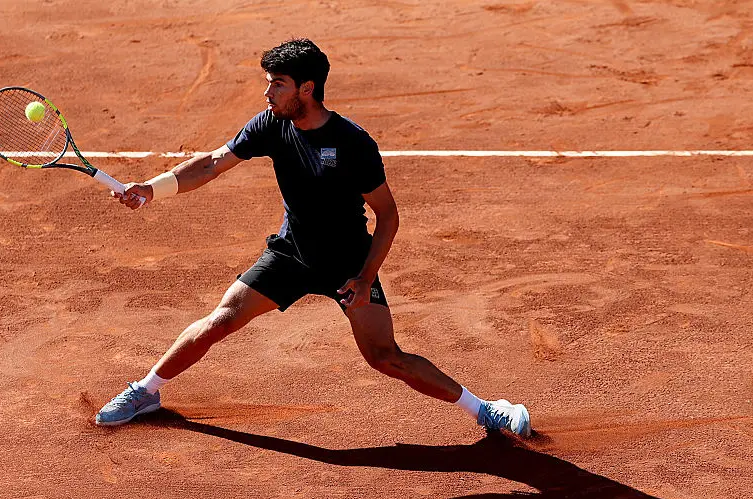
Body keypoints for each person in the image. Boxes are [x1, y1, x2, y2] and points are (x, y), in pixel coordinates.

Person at [96, 38, 530, 437]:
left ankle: (486, 410)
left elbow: (388, 215)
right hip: (292, 254)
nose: (267, 94)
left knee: (384, 357)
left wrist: (364, 278)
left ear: (307, 88)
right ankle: (146, 391)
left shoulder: (352, 143)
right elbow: (211, 164)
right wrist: (152, 188)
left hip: (347, 263)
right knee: (222, 319)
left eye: (277, 85)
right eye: (269, 84)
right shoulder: (270, 124)